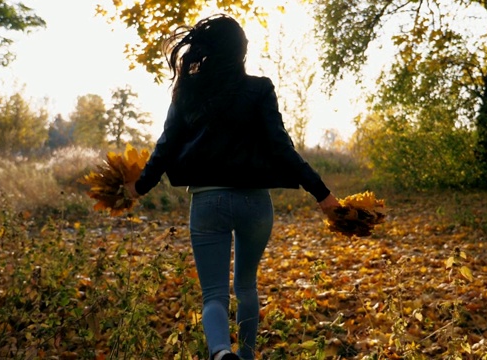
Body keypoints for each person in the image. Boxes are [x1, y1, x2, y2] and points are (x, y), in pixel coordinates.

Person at [124, 13, 340, 360]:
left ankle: (221, 353)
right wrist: (322, 194)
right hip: (255, 204)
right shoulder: (259, 88)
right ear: (241, 52)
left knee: (213, 295)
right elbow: (281, 147)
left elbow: (166, 146)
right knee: (246, 286)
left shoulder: (187, 90)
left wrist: (139, 188)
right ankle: (247, 356)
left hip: (208, 203)